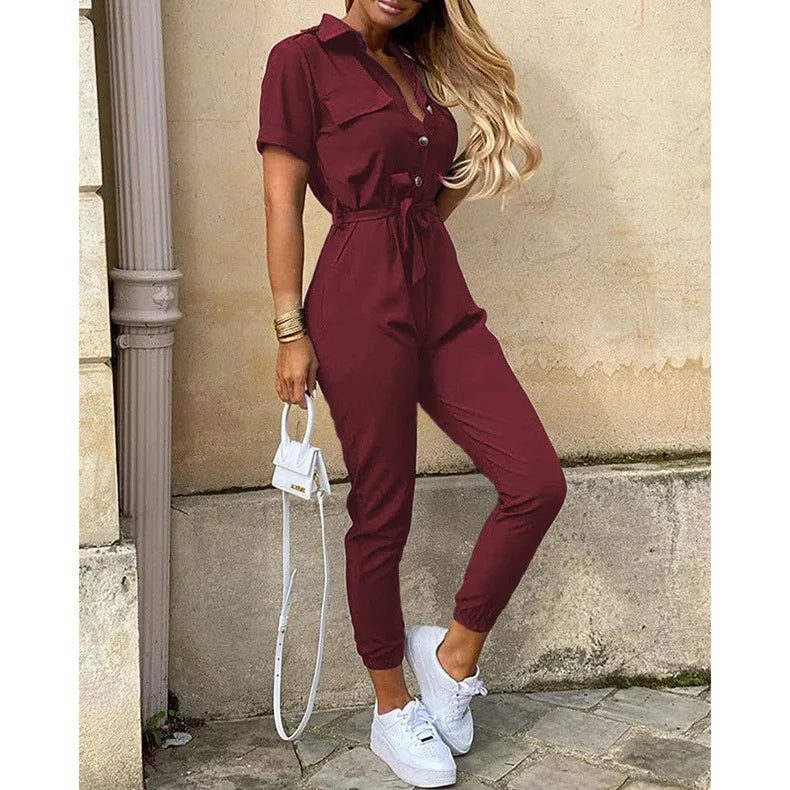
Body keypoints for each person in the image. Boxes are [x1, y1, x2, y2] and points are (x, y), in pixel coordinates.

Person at [256, 2, 567, 786]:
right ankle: (393, 708)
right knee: (382, 512)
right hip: (358, 300)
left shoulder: (420, 69)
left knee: (536, 482)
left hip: (439, 293)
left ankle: (451, 658)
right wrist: (290, 330)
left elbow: (433, 193)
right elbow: (281, 201)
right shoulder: (300, 61)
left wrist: (460, 169)